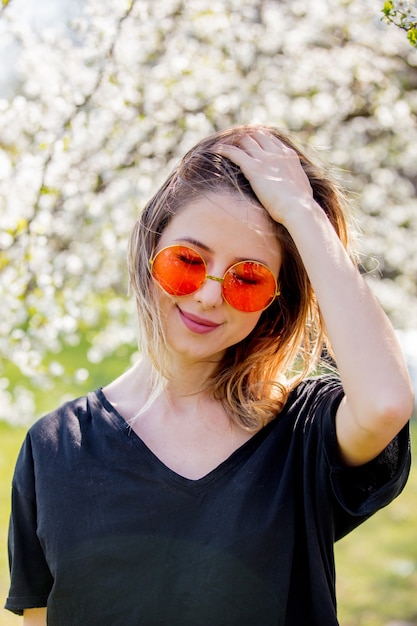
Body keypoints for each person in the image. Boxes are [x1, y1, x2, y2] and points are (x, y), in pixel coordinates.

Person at [6, 125, 413, 626]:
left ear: (273, 303)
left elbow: (386, 401)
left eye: (247, 277)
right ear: (149, 250)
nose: (206, 296)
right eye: (188, 261)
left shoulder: (304, 436)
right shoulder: (53, 448)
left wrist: (302, 214)